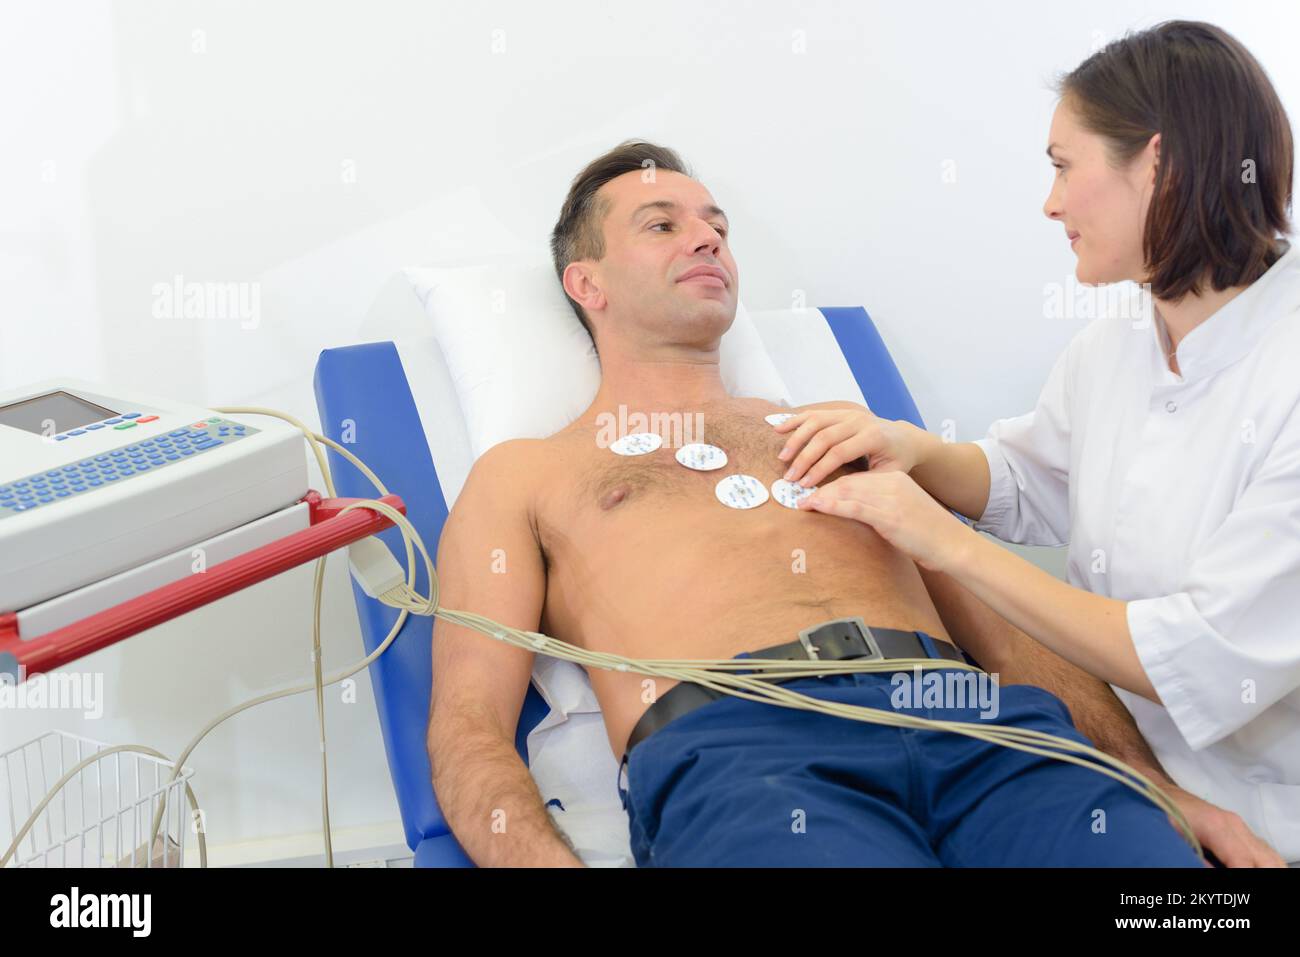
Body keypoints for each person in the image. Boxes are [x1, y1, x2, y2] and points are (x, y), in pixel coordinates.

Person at [425, 139, 1231, 867]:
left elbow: (1012, 636)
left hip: (978, 724)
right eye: (662, 226)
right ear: (586, 282)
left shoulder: (837, 432)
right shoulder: (526, 473)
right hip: (744, 748)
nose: (708, 239)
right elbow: (468, 724)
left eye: (717, 225)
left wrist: (1168, 798)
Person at [786, 21, 1295, 866]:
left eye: (1063, 167)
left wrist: (947, 546)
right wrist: (910, 446)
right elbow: (1028, 475)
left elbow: (1195, 657)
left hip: (1263, 812)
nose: (1050, 203)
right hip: (1114, 761)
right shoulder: (1118, 343)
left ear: (1159, 165)